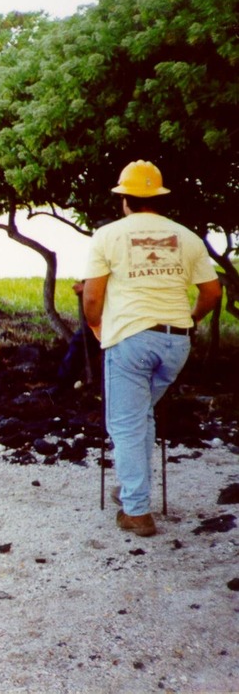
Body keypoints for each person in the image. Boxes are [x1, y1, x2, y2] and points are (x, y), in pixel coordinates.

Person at [82, 160, 222, 537]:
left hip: (131, 339)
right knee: (141, 416)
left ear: (124, 200)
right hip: (176, 343)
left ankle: (137, 511)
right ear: (159, 198)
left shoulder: (108, 235)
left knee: (125, 424)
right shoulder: (188, 237)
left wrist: (96, 326)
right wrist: (190, 319)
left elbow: (92, 297)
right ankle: (134, 489)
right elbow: (212, 293)